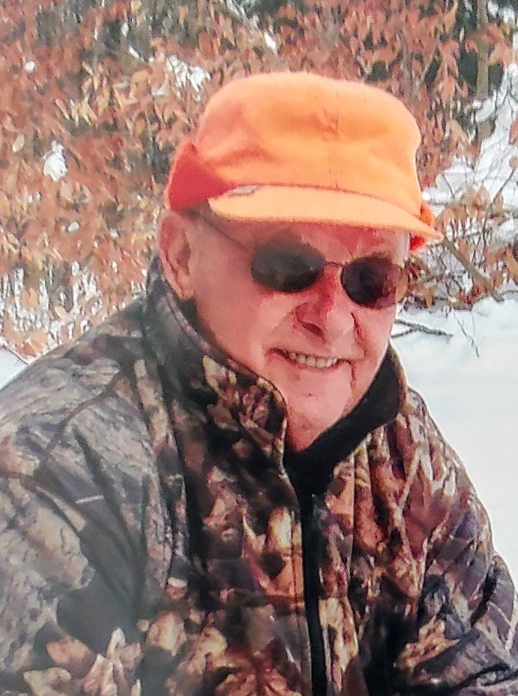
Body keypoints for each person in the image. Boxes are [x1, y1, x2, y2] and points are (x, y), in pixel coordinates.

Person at [0, 72, 516, 696]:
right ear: (181, 256)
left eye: (370, 278)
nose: (332, 320)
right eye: (287, 265)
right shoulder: (58, 469)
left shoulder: (397, 446)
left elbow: (482, 671)